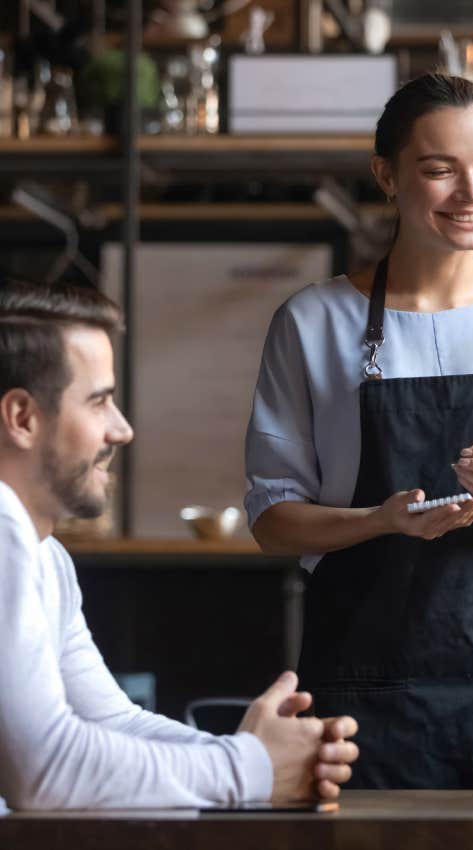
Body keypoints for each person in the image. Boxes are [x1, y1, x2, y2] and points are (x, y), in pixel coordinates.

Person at [245, 73, 473, 790]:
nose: (472, 194)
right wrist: (379, 521)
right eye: (440, 170)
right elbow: (273, 519)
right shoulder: (313, 322)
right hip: (363, 694)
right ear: (386, 175)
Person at [0, 279, 358, 811]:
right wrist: (251, 768)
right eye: (99, 402)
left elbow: (113, 721)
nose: (121, 430)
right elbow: (44, 767)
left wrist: (261, 756)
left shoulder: (43, 555)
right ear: (22, 418)